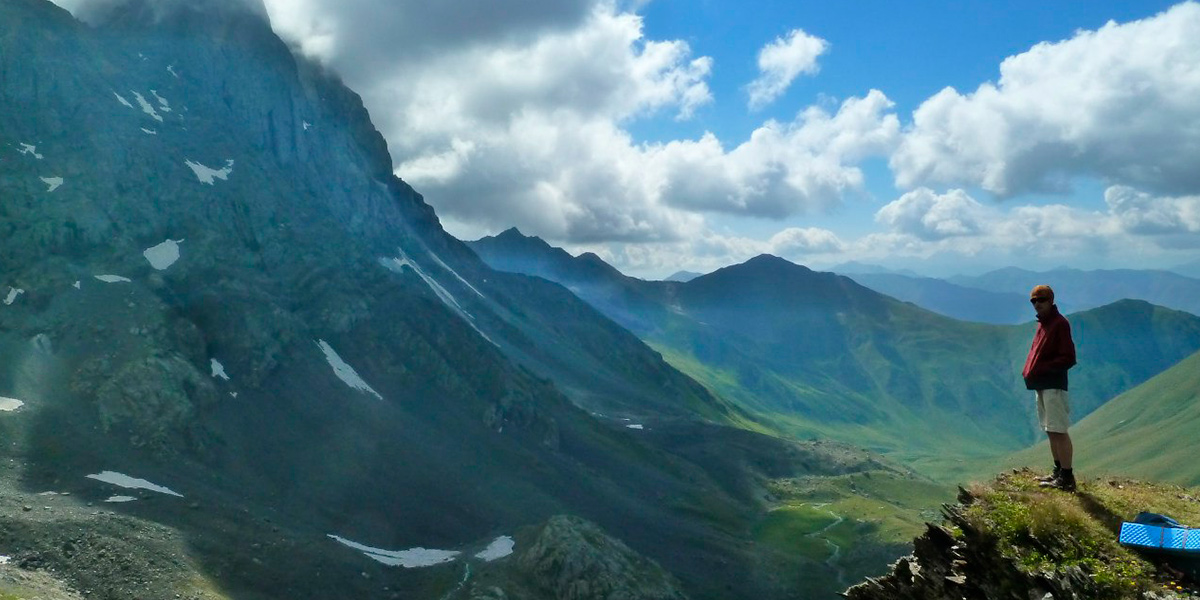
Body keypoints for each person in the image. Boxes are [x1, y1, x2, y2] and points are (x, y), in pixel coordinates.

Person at [1022, 285, 1078, 491]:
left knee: (1059, 430)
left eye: (1042, 300)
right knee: (1050, 430)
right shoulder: (1044, 324)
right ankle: (1058, 472)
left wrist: (1042, 369)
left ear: (1051, 300)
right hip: (1042, 385)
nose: (1037, 304)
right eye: (1033, 301)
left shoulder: (1059, 324)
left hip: (1054, 385)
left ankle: (1067, 477)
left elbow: (1068, 357)